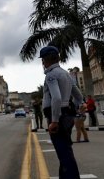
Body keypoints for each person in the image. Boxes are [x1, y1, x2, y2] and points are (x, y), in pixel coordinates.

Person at [40, 46, 83, 179]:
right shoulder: (66, 74)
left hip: (58, 117)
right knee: (65, 151)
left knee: (64, 154)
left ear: (45, 60)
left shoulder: (51, 75)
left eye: (42, 60)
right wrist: (75, 108)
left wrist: (54, 120)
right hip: (67, 115)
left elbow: (56, 97)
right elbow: (79, 96)